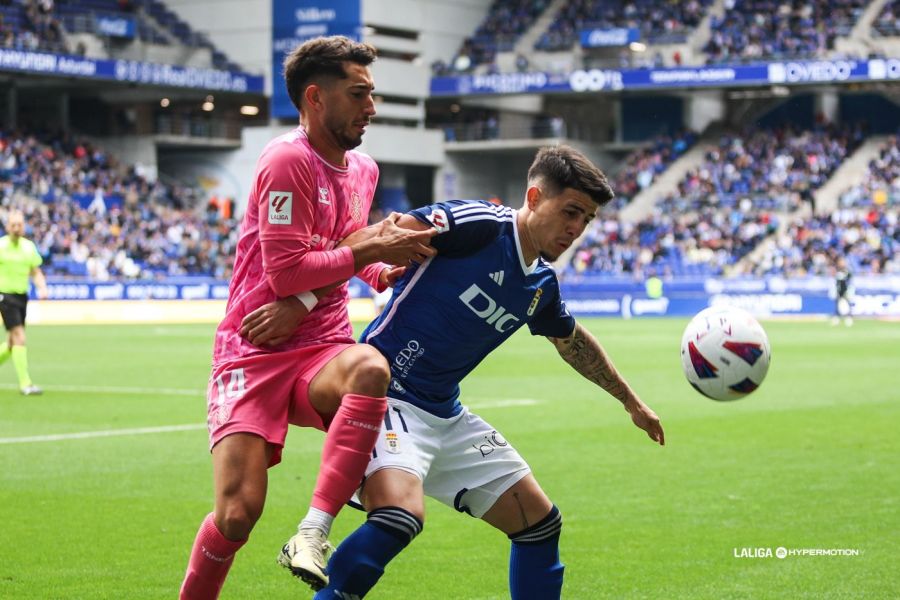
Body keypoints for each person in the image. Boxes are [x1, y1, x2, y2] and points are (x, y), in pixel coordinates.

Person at [242, 145, 665, 599]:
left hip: (445, 414)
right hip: (386, 397)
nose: (577, 229)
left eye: (588, 219)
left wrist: (630, 401)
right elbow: (373, 239)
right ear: (536, 197)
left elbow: (572, 342)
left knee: (539, 524)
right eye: (571, 212)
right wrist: (300, 302)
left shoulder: (540, 284)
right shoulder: (478, 224)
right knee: (398, 519)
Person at [178, 36, 436, 600]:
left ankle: (312, 533)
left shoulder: (364, 167)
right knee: (238, 513)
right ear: (315, 98)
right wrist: (370, 252)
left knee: (369, 368)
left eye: (373, 94)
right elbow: (289, 272)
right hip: (254, 348)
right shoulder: (287, 159)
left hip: (321, 345)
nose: (372, 107)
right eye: (359, 93)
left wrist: (379, 274)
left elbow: (345, 240)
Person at [0, 209, 48, 396]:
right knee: (19, 336)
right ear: (7, 226)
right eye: (13, 225)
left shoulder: (29, 247)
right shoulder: (1, 246)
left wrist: (42, 287)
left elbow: (35, 271)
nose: (17, 228)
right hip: (4, 295)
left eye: (20, 224)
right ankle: (25, 384)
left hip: (21, 297)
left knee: (13, 343)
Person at [831, 257, 853, 327]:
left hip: (846, 291)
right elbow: (835, 282)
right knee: (837, 305)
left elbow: (849, 281)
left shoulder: (847, 271)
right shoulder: (837, 271)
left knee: (847, 304)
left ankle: (848, 318)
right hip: (839, 291)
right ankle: (836, 318)